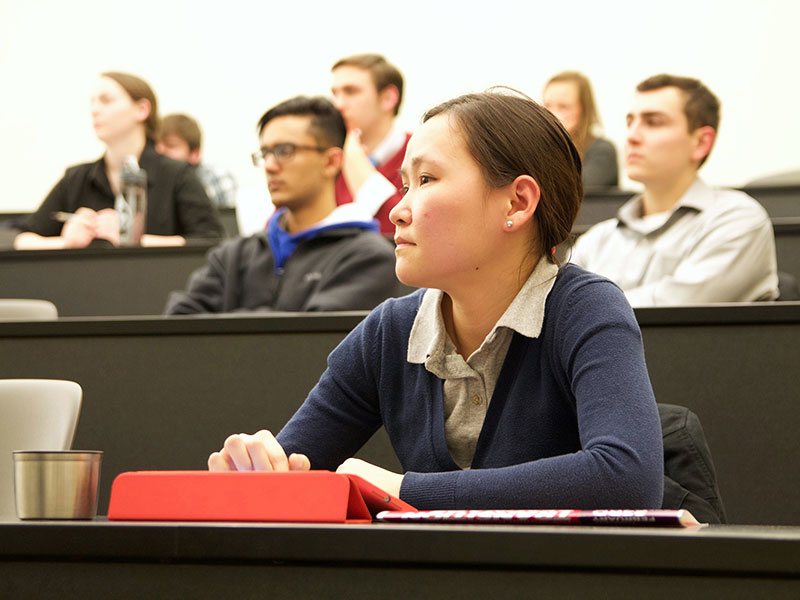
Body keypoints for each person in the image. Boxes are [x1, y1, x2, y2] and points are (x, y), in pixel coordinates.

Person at [208, 90, 664, 511]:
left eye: (426, 179)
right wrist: (257, 471)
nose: (397, 209)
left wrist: (404, 490)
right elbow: (292, 471)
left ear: (516, 203)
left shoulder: (585, 308)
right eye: (404, 185)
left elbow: (626, 477)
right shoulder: (389, 331)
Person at [164, 96, 399, 314]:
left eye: (284, 151)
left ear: (331, 161)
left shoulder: (368, 257)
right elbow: (181, 327)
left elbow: (303, 340)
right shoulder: (234, 255)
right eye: (265, 152)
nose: (269, 165)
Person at [571, 74, 779, 306]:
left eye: (653, 122)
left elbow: (675, 312)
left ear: (701, 142)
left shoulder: (737, 220)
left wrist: (585, 310)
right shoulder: (596, 241)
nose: (631, 136)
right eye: (630, 122)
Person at [14, 72, 224, 250]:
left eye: (106, 100)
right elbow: (17, 238)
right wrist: (65, 242)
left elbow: (211, 240)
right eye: (93, 102)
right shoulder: (77, 178)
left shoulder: (176, 174)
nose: (95, 110)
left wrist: (137, 240)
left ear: (142, 109)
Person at [331, 54, 410, 235]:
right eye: (335, 94)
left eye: (351, 92)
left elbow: (407, 231)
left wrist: (355, 161)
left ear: (388, 98)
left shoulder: (423, 154)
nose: (338, 104)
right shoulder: (330, 160)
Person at [543, 71, 618, 189]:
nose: (552, 114)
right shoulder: (541, 150)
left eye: (563, 107)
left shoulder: (602, 151)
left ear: (584, 110)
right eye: (547, 106)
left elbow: (574, 192)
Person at [156, 113, 238, 209]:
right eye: (155, 145)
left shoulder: (217, 178)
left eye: (171, 145)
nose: (160, 152)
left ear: (195, 154)